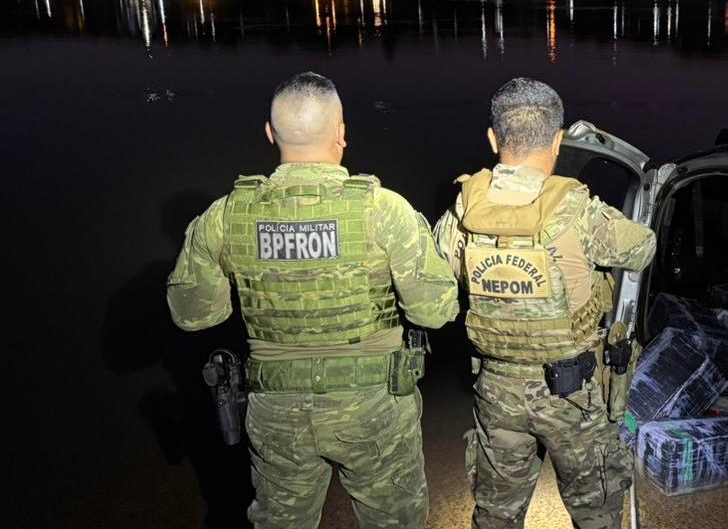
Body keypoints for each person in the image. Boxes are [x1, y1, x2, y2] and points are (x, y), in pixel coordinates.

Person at [166, 71, 459, 529]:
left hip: (276, 409)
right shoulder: (385, 210)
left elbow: (193, 315)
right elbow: (435, 311)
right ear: (341, 134)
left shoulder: (226, 216)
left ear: (270, 135)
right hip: (374, 405)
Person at [434, 77, 655, 529]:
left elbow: (440, 269)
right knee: (595, 511)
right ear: (557, 140)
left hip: (496, 391)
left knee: (496, 515)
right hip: (571, 394)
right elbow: (642, 248)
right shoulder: (579, 210)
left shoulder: (463, 210)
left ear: (494, 138)